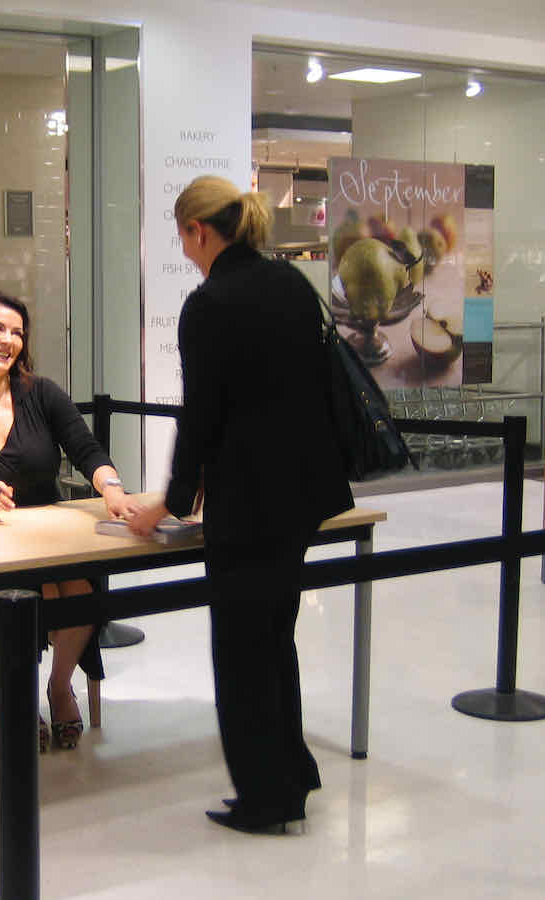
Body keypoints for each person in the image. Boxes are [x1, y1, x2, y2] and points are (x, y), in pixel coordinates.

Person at [130, 175, 353, 834]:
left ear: (198, 230)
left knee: (242, 647)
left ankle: (267, 796)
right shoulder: (290, 285)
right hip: (301, 493)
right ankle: (292, 769)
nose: (186, 250)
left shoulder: (211, 303)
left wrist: (169, 501)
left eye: (183, 237)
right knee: (273, 635)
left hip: (248, 499)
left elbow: (202, 416)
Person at [0, 291, 142, 750]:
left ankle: (58, 686)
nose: (9, 340)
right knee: (34, 590)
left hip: (51, 534)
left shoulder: (41, 393)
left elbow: (87, 451)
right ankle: (17, 693)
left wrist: (113, 489)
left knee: (80, 586)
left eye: (18, 333)